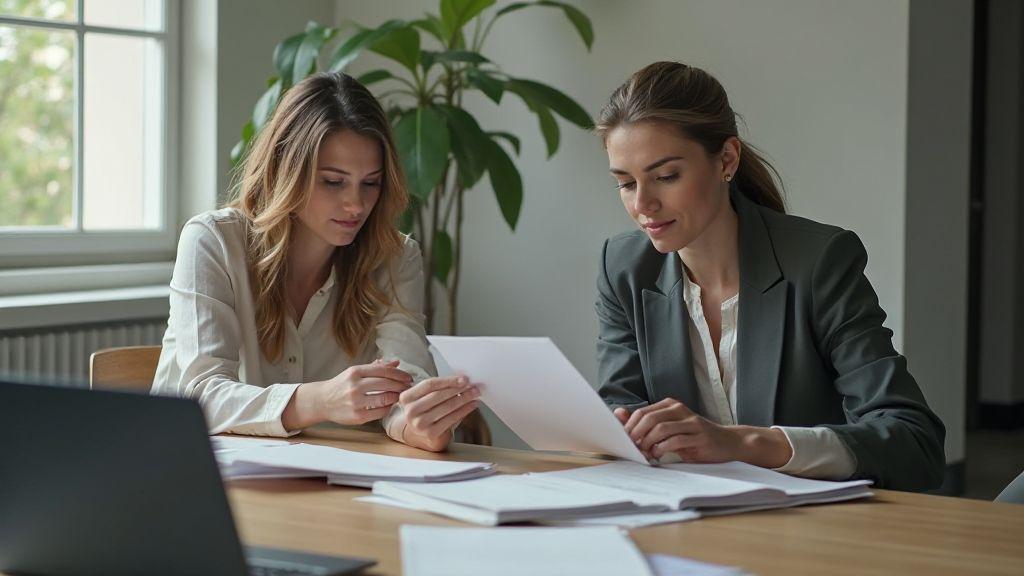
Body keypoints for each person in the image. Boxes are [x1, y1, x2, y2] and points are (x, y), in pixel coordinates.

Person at [594, 61, 945, 490]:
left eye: (666, 176)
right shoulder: (624, 268)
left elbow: (914, 442)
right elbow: (619, 413)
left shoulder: (818, 262)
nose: (642, 205)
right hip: (681, 514)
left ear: (727, 159)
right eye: (626, 183)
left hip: (811, 522)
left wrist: (745, 444)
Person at [152, 72, 478, 452]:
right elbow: (201, 396)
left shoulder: (395, 257)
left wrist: (418, 425)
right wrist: (319, 401)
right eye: (333, 182)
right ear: (285, 170)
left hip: (320, 477)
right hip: (190, 469)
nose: (356, 204)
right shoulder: (213, 241)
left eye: (370, 183)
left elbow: (405, 384)